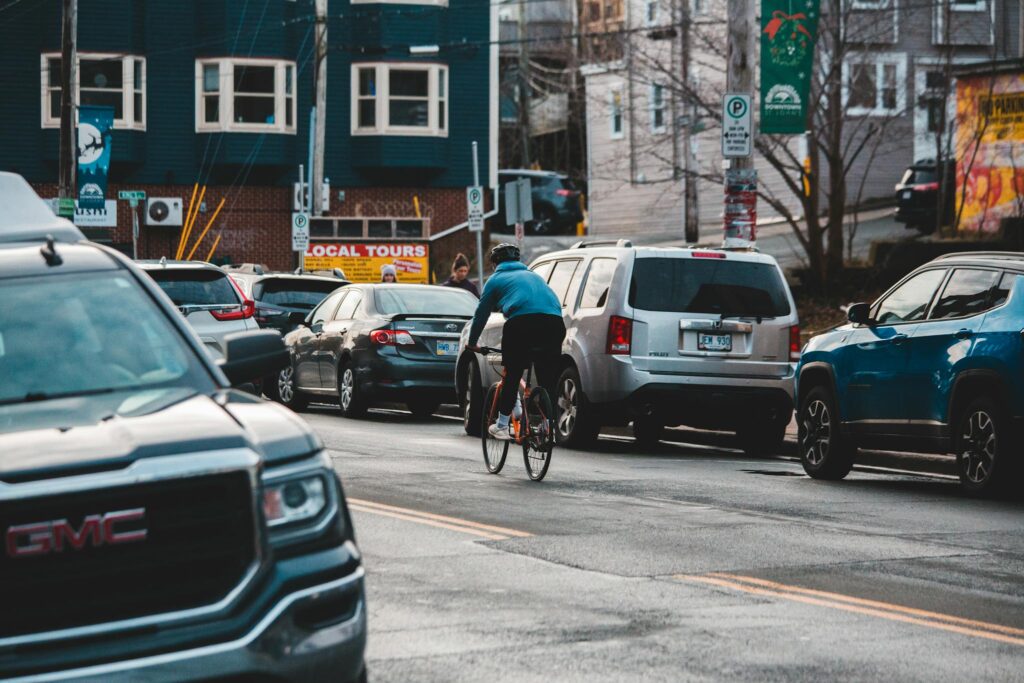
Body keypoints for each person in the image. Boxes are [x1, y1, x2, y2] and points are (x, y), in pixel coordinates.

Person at [466, 243, 566, 440]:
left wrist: (472, 342)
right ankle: (549, 426)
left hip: (522, 323)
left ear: (495, 264)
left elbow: (481, 315)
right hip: (555, 324)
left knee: (513, 372)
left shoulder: (495, 280)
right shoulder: (535, 276)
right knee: (547, 377)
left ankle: (502, 424)